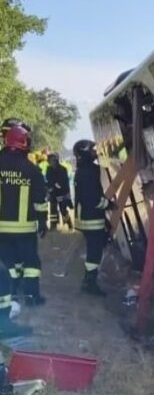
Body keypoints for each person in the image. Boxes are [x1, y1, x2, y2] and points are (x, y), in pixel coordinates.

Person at [0, 120, 48, 307]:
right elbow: (40, 200)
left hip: (1, 229)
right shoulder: (32, 169)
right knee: (31, 263)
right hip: (25, 229)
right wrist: (43, 222)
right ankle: (31, 296)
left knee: (7, 262)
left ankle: (10, 295)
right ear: (24, 143)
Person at [73, 139, 111, 296]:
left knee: (94, 249)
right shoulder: (89, 171)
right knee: (94, 251)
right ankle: (90, 283)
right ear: (85, 153)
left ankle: (89, 280)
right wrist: (108, 204)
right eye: (92, 150)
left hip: (87, 217)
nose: (95, 152)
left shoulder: (83, 170)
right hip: (91, 218)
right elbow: (93, 198)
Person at [45, 153, 73, 230]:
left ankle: (68, 223)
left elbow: (64, 182)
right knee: (53, 210)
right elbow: (48, 179)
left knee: (63, 209)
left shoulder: (63, 169)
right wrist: (49, 188)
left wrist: (67, 194)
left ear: (56, 161)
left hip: (62, 193)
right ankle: (53, 225)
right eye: (49, 161)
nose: (50, 163)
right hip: (53, 193)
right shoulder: (49, 169)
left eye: (52, 160)